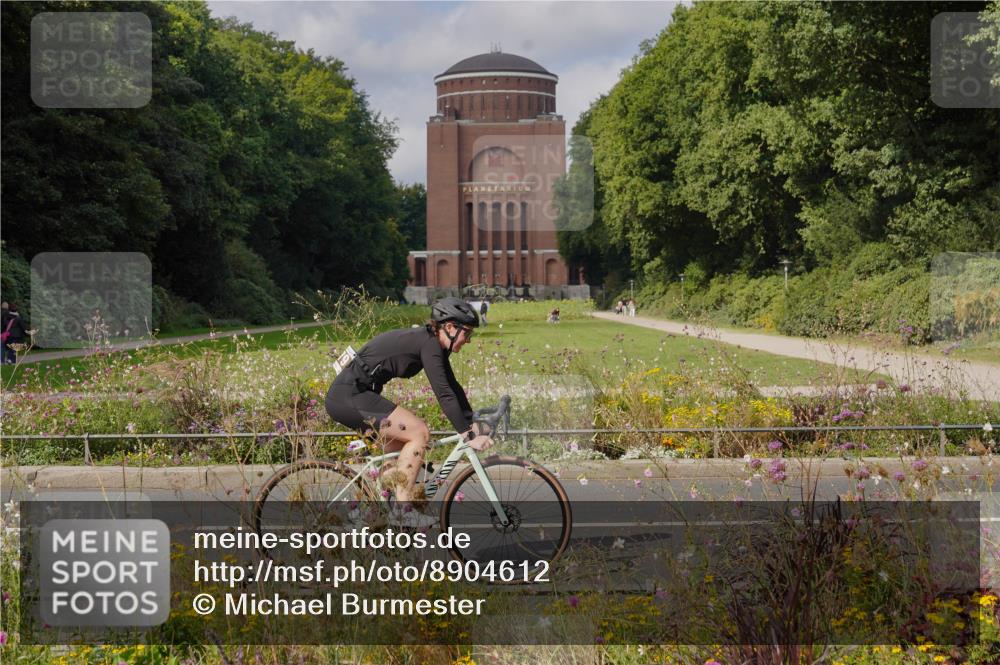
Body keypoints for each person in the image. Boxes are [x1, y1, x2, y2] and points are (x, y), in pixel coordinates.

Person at [325, 297, 493, 527]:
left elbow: (452, 386)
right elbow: (443, 393)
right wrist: (467, 434)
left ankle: (377, 516)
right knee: (419, 432)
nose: (469, 340)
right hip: (349, 396)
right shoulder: (430, 345)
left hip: (356, 395)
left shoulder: (433, 345)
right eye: (467, 333)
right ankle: (403, 512)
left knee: (399, 456)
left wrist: (470, 422)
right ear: (450, 327)